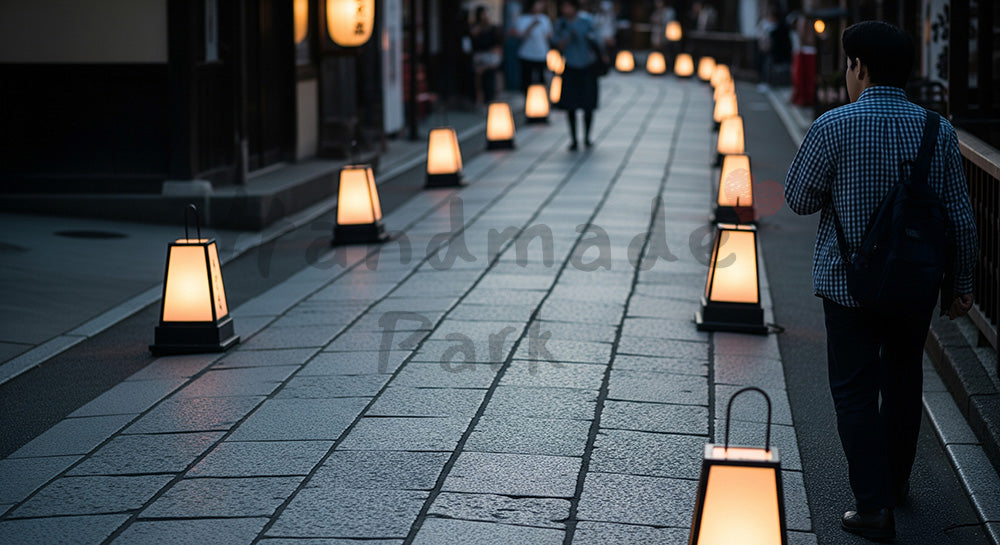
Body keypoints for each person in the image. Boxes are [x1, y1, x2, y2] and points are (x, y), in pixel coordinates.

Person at [784, 21, 977, 541]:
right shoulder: (938, 130)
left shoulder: (833, 126)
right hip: (914, 285)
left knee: (853, 392)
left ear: (860, 67)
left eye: (849, 65)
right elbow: (960, 215)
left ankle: (872, 507)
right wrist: (961, 283)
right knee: (903, 380)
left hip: (849, 286)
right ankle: (895, 485)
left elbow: (799, 199)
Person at [554, 0, 603, 150]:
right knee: (571, 105)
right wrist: (568, 35)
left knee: (588, 104)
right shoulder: (561, 23)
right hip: (570, 66)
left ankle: (587, 137)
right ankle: (574, 139)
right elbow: (557, 44)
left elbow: (597, 41)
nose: (566, 9)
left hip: (587, 66)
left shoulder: (587, 21)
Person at [513, 0, 553, 92]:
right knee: (526, 79)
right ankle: (526, 100)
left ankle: (543, 100)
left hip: (541, 54)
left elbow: (549, 35)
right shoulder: (523, 19)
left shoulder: (544, 19)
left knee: (542, 79)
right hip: (527, 54)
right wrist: (532, 25)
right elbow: (520, 36)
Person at [470, 6, 503, 106]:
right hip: (479, 56)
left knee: (490, 73)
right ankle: (480, 99)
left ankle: (491, 97)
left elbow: (497, 44)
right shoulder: (475, 27)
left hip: (490, 57)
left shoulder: (493, 28)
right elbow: (472, 39)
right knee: (478, 74)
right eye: (483, 14)